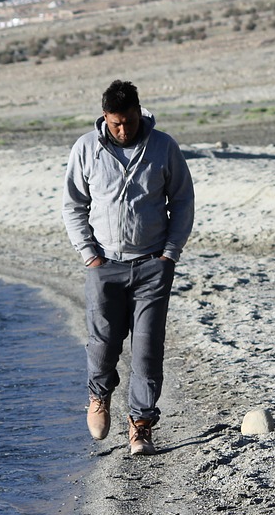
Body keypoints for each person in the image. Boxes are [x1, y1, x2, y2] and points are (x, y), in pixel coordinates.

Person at [61, 80, 195, 455]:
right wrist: (90, 254)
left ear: (140, 112)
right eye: (117, 123)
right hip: (105, 266)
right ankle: (99, 396)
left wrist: (170, 252)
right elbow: (73, 205)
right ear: (105, 117)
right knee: (103, 343)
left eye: (131, 121)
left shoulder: (163, 146)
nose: (124, 129)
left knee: (147, 350)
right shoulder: (86, 148)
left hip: (153, 264)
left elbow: (182, 200)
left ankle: (140, 424)